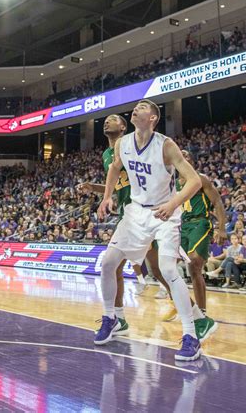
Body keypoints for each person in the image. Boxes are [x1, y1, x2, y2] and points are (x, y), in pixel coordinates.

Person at [96, 99, 202, 362]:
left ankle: (191, 335)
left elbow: (195, 180)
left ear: (153, 118)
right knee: (108, 263)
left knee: (166, 269)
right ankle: (111, 318)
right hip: (135, 210)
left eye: (143, 107)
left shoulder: (165, 145)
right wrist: (106, 197)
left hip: (163, 211)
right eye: (136, 107)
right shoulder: (123, 143)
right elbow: (114, 168)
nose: (136, 109)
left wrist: (173, 203)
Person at [77, 114, 170, 337]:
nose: (106, 122)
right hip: (127, 213)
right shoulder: (107, 155)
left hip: (149, 210)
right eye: (105, 120)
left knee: (160, 269)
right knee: (113, 266)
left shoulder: (133, 144)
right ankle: (117, 318)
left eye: (112, 119)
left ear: (123, 126)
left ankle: (194, 314)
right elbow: (119, 185)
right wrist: (95, 188)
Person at [171, 150, 227, 340]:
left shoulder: (200, 178)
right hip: (182, 226)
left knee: (195, 263)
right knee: (184, 269)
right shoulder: (174, 184)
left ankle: (201, 312)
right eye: (180, 155)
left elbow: (217, 201)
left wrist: (222, 228)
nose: (183, 157)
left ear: (190, 160)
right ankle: (193, 310)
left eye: (186, 155)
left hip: (200, 222)